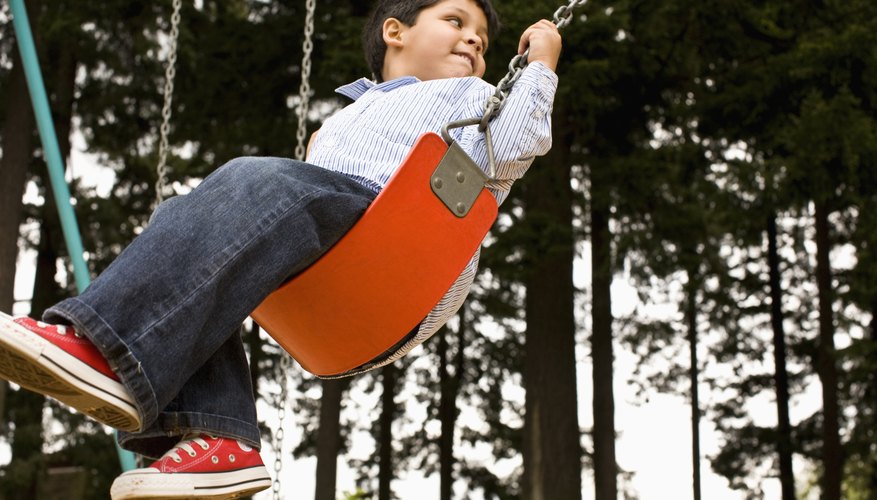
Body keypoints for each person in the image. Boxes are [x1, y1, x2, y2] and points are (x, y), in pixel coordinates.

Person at [0, 0, 562, 498]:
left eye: (483, 41)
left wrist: (540, 63)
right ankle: (219, 434)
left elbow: (517, 142)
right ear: (396, 31)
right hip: (329, 269)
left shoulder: (475, 96)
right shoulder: (349, 113)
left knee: (256, 178)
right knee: (187, 228)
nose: (473, 41)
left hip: (402, 240)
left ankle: (107, 349)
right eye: (456, 21)